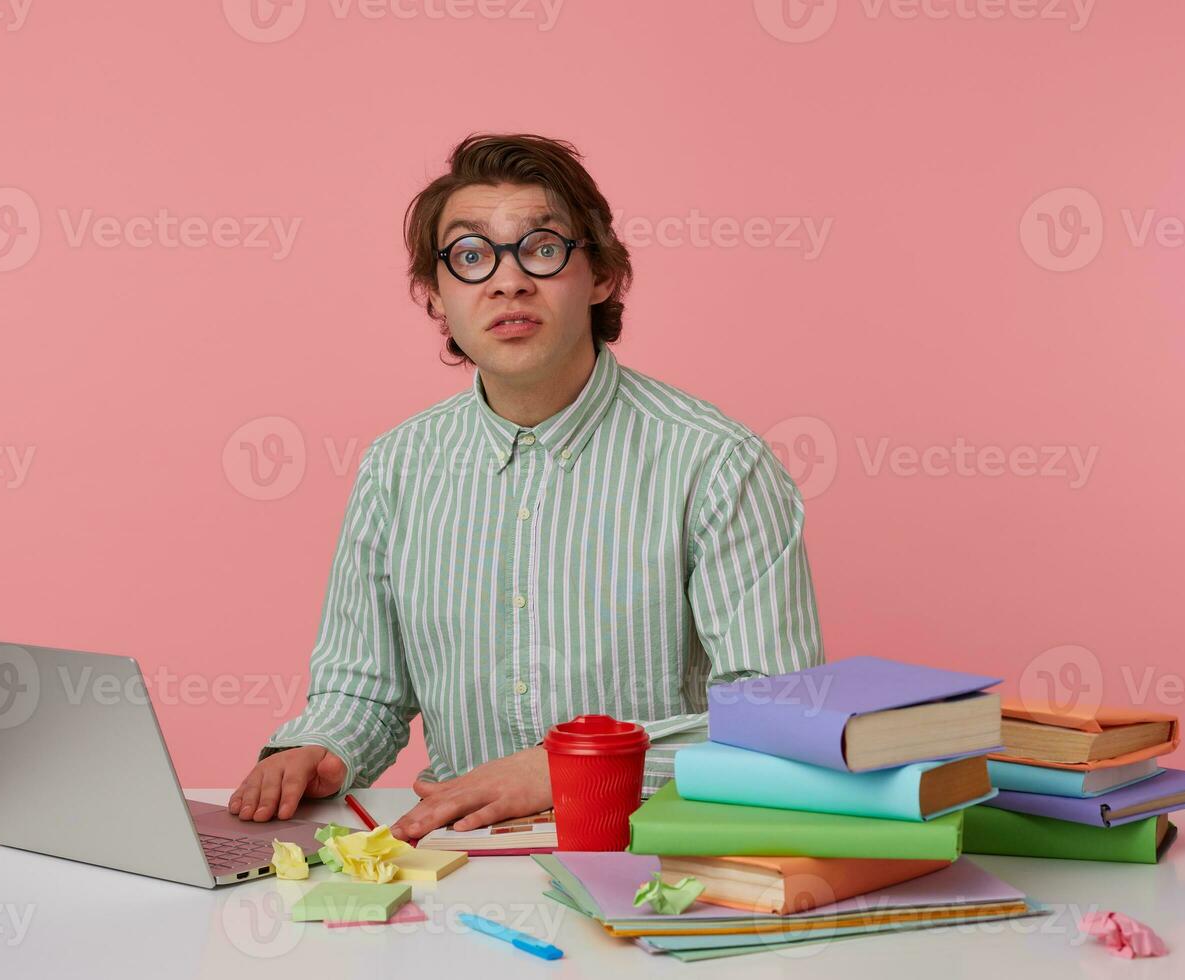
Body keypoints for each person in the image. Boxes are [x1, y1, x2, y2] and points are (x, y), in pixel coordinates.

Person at [228, 133, 823, 841]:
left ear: (601, 275)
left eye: (541, 248)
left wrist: (565, 767)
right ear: (436, 296)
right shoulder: (398, 468)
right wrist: (319, 749)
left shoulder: (717, 463)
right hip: (457, 861)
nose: (507, 282)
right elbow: (362, 691)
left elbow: (780, 717)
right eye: (471, 257)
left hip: (651, 858)